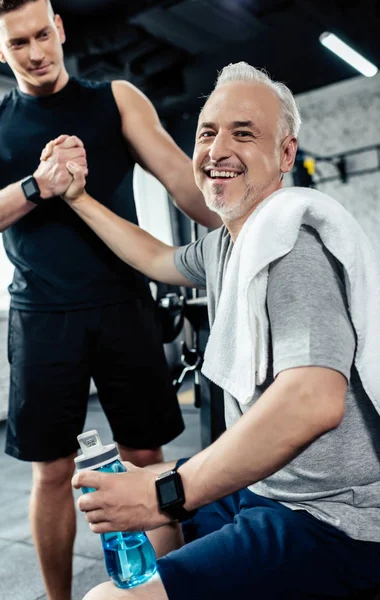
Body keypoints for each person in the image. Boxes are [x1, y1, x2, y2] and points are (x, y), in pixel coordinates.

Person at [55, 62, 380, 599]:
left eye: (244, 133)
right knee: (139, 503)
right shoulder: (230, 242)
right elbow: (158, 257)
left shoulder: (292, 244)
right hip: (271, 487)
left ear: (285, 154)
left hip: (331, 518)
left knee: (105, 595)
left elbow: (313, 400)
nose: (217, 149)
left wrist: (168, 492)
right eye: (208, 132)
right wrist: (79, 200)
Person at [0, 1, 221, 599]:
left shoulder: (116, 99)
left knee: (146, 455)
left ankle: (170, 590)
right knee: (53, 470)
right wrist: (40, 184)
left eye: (42, 34)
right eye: (18, 43)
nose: (35, 53)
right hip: (40, 316)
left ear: (60, 28)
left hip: (122, 304)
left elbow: (179, 176)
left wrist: (243, 219)